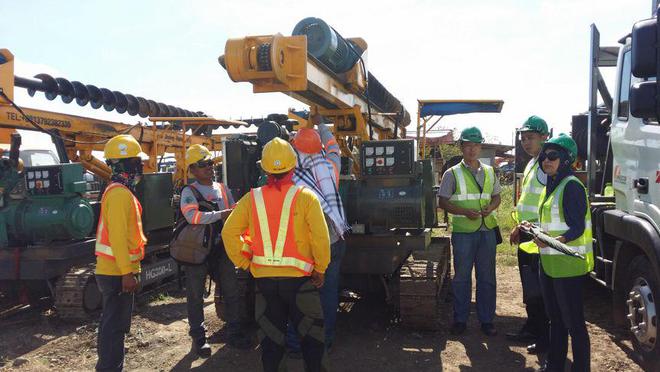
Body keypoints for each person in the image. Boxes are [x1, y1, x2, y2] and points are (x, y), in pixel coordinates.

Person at [222, 138, 331, 372]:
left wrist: (245, 262)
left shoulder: (252, 198)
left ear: (265, 168)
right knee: (313, 341)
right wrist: (320, 268)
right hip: (301, 282)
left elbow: (229, 232)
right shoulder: (307, 197)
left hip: (265, 283)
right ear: (293, 167)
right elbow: (320, 238)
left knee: (272, 342)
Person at [520, 134, 593, 372]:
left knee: (574, 324)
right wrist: (535, 231)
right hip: (550, 265)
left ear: (566, 160)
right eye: (544, 157)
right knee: (556, 320)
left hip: (568, 266)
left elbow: (577, 227)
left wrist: (551, 241)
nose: (547, 161)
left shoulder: (571, 185)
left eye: (553, 157)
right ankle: (554, 365)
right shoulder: (551, 186)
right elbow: (552, 222)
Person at [179, 144, 250, 357]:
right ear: (192, 170)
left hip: (221, 249)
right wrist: (222, 214)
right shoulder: (189, 192)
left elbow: (234, 214)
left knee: (232, 290)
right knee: (195, 295)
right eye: (203, 165)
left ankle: (235, 332)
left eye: (210, 163)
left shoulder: (222, 188)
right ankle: (199, 339)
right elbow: (192, 217)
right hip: (196, 251)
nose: (209, 167)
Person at [286, 117, 349, 355]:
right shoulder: (330, 165)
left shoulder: (291, 176)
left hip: (307, 245)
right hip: (334, 238)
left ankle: (294, 344)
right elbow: (333, 146)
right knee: (328, 294)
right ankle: (325, 341)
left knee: (299, 294)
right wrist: (322, 124)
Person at [437, 126, 501, 336]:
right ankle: (460, 319)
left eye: (476, 145)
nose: (472, 149)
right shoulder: (452, 173)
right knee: (462, 277)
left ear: (481, 146)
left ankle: (486, 320)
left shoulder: (490, 171)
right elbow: (443, 202)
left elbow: (497, 196)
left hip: (487, 230)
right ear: (462, 147)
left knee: (487, 277)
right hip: (464, 232)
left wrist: (491, 207)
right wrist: (464, 211)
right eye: (468, 145)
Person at [95, 134, 147, 371]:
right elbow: (117, 237)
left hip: (118, 271)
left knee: (116, 326)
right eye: (138, 162)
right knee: (113, 327)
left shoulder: (121, 192)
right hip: (116, 272)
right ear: (126, 164)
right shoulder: (118, 194)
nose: (141, 167)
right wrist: (127, 272)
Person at [507, 116, 551, 354]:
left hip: (538, 236)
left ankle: (543, 336)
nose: (525, 142)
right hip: (527, 231)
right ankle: (533, 327)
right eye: (523, 138)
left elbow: (548, 203)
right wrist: (518, 227)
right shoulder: (531, 163)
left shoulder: (545, 164)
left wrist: (537, 232)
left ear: (544, 137)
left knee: (538, 288)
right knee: (529, 285)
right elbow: (527, 200)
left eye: (530, 137)